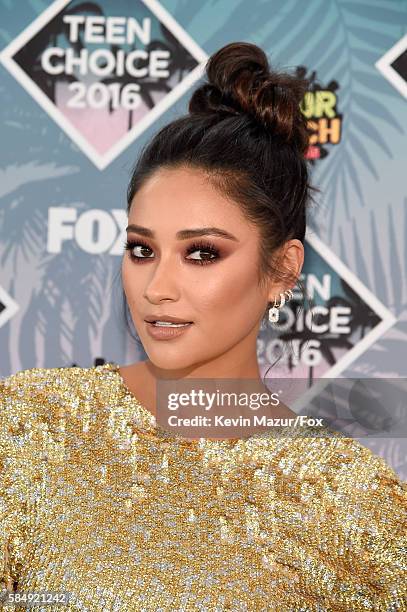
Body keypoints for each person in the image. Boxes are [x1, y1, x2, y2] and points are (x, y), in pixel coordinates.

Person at [1, 42, 406, 611]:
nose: (156, 287)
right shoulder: (28, 427)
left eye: (202, 254)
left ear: (281, 270)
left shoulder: (347, 500)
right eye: (142, 249)